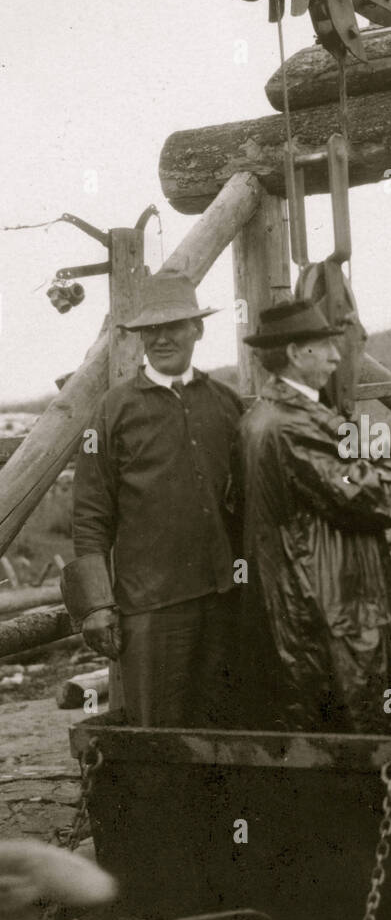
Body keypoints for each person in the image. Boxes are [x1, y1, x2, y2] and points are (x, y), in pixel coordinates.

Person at [236, 299, 391, 734]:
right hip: (328, 602)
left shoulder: (263, 417)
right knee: (357, 728)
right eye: (326, 346)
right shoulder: (293, 425)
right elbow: (363, 493)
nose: (338, 356)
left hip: (308, 594)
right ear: (296, 353)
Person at [62, 273, 245, 728]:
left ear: (197, 330)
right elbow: (89, 513)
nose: (162, 338)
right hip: (150, 607)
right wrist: (99, 605)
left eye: (176, 326)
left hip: (224, 598)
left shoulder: (224, 402)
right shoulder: (112, 411)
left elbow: (246, 501)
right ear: (140, 338)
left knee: (227, 726)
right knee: (158, 736)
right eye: (151, 330)